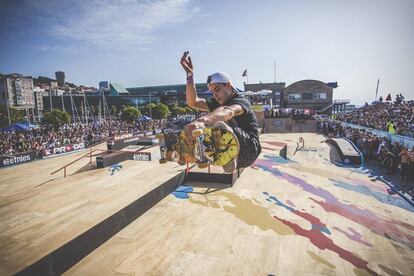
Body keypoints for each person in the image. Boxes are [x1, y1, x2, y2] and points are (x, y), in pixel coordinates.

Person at [180, 51, 261, 172]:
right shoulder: (217, 102)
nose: (215, 95)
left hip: (250, 147)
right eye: (212, 92)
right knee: (211, 119)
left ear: (228, 85)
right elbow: (193, 102)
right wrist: (189, 75)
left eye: (217, 90)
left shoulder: (240, 101)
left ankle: (227, 152)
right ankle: (221, 156)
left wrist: (202, 121)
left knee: (217, 120)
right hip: (237, 155)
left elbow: (228, 111)